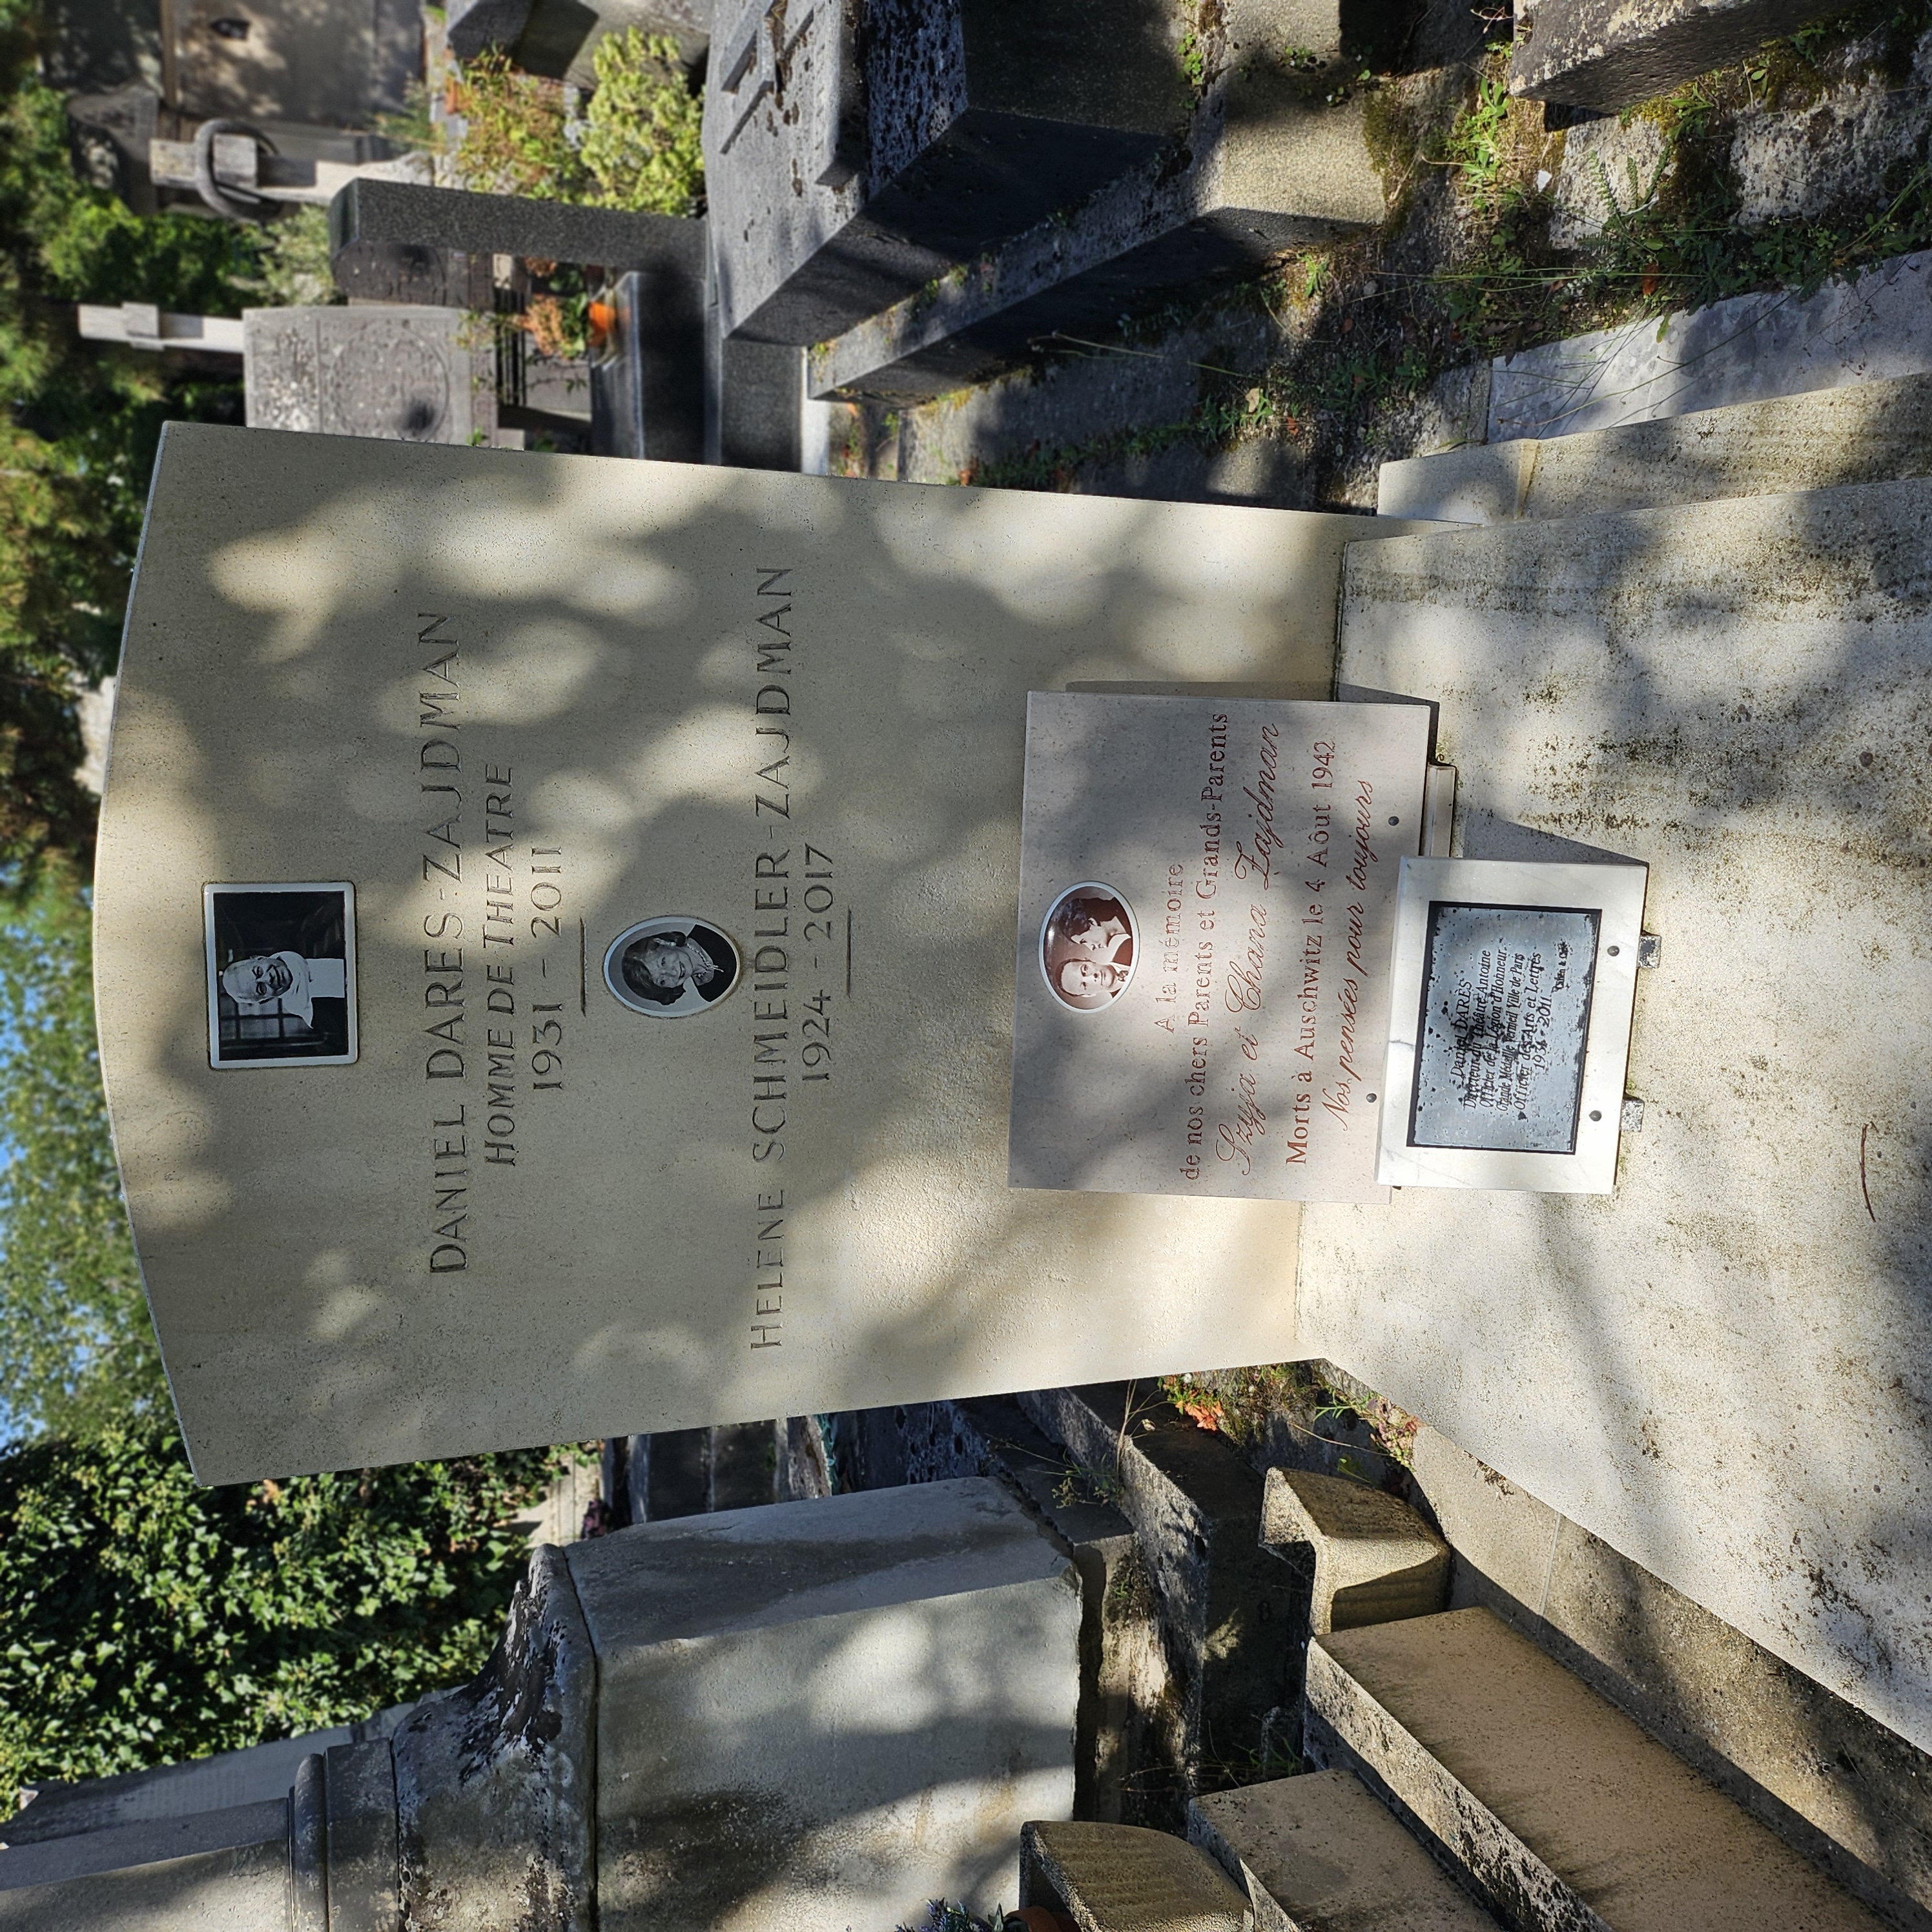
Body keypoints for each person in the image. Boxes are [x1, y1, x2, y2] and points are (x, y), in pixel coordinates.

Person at [619, 927, 736, 1007]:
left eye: (663, 962)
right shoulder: (711, 994)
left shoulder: (711, 931)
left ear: (663, 943)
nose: (673, 973)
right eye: (662, 981)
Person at [1056, 956, 1129, 1002]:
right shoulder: (1122, 1007)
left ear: (1089, 960)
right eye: (1085, 985)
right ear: (1089, 995)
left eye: (1085, 969)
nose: (1092, 977)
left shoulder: (1129, 946)